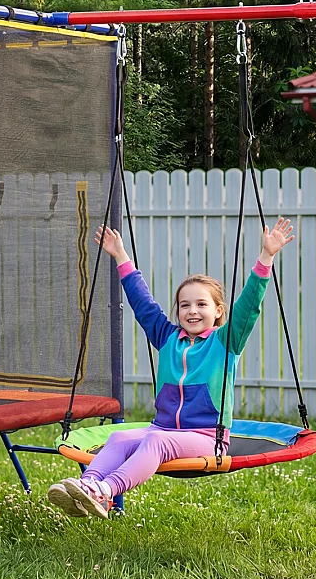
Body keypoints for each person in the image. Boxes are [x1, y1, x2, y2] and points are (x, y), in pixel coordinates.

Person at [48, 217, 297, 518]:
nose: (192, 311)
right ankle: (88, 489)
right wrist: (121, 256)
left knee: (155, 439)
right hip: (163, 428)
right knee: (118, 438)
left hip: (206, 437)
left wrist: (266, 257)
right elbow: (143, 304)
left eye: (201, 305)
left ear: (218, 312)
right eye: (184, 305)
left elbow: (248, 306)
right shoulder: (167, 339)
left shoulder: (224, 343)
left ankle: (108, 489)